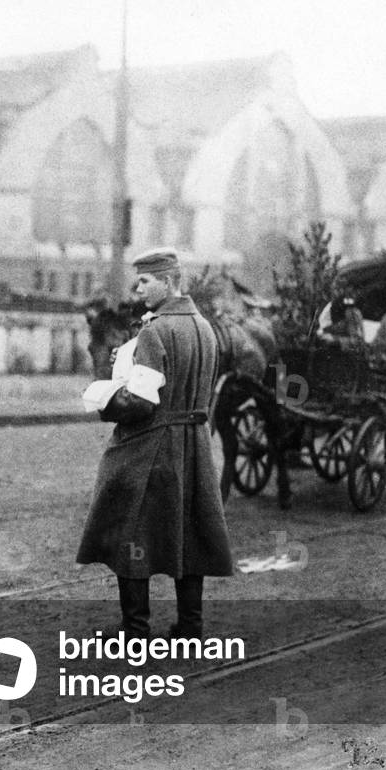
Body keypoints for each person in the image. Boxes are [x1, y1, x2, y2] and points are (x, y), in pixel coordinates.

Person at [76, 247, 232, 640]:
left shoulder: (155, 331)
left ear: (168, 280)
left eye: (145, 281)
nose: (138, 289)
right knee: (190, 534)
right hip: (194, 446)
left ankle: (135, 630)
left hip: (149, 448)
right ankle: (191, 625)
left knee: (129, 531)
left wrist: (103, 398)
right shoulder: (205, 328)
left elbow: (141, 403)